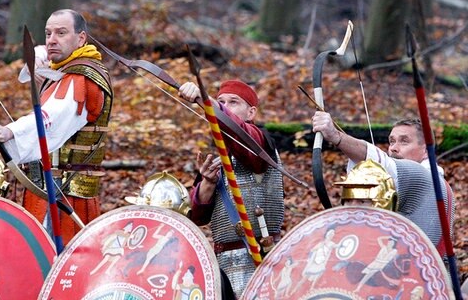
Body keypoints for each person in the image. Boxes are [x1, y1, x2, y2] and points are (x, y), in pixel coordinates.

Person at [0, 9, 113, 243]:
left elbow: (50, 117)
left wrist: (9, 131)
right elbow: (43, 50)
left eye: (61, 33)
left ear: (81, 38)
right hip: (48, 188)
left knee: (55, 261)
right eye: (48, 33)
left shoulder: (80, 78)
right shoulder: (66, 66)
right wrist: (39, 56)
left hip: (64, 193)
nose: (52, 40)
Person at [179, 79, 285, 297]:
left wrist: (207, 101)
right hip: (224, 264)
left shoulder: (261, 143)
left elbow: (242, 135)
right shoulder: (220, 157)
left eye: (233, 102)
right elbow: (197, 216)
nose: (226, 106)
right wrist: (207, 183)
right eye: (221, 102)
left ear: (251, 112)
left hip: (261, 258)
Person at [312, 113, 455, 252]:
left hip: (422, 273)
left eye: (404, 141)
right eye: (392, 141)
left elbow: (380, 164)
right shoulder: (417, 183)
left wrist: (336, 136)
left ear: (426, 150)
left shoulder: (425, 178)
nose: (393, 148)